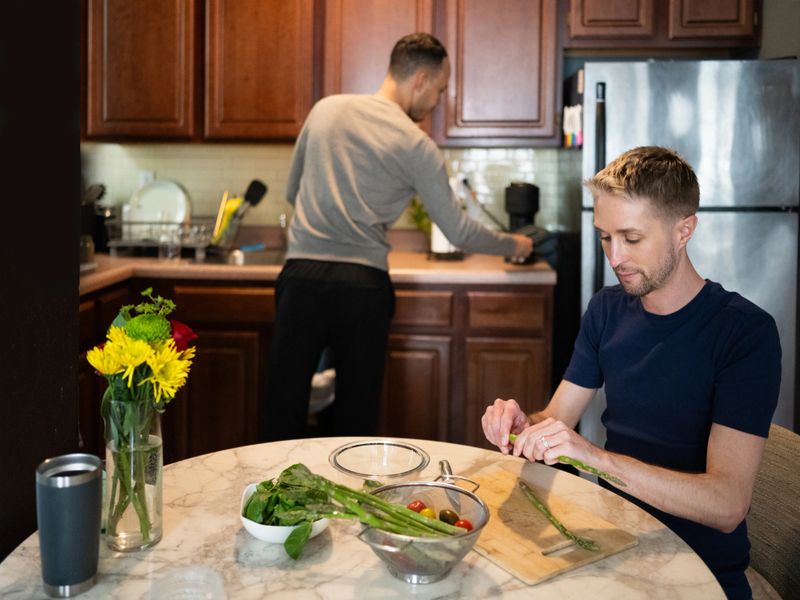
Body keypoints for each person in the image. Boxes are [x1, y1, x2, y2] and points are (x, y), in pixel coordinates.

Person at [481, 146, 780, 600]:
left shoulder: (744, 333)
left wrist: (595, 458)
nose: (614, 256)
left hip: (698, 569)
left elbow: (727, 505)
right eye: (605, 237)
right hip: (609, 543)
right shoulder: (605, 310)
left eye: (631, 238)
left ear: (684, 231)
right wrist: (527, 426)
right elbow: (558, 417)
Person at [262, 33, 532, 442]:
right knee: (355, 415)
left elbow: (291, 192)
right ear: (420, 80)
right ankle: (346, 505)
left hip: (301, 279)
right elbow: (457, 230)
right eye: (440, 90)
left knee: (284, 407)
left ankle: (271, 503)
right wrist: (516, 244)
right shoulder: (416, 146)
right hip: (362, 288)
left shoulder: (324, 111)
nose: (438, 101)